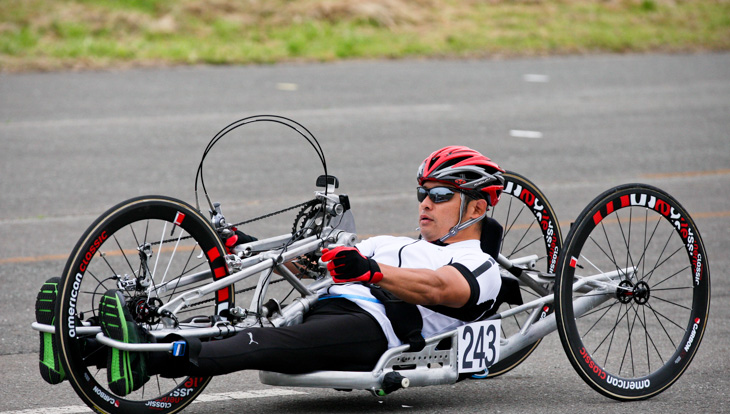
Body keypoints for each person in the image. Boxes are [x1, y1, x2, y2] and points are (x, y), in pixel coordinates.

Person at [46, 146, 506, 397]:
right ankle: (77, 346)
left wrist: (371, 273)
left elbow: (441, 290)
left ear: (478, 206)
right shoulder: (395, 242)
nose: (426, 202)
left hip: (378, 332)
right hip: (327, 307)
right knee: (229, 326)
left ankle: (145, 357)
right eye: (423, 192)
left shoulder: (477, 264)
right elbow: (309, 263)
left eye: (441, 195)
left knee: (261, 344)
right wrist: (242, 245)